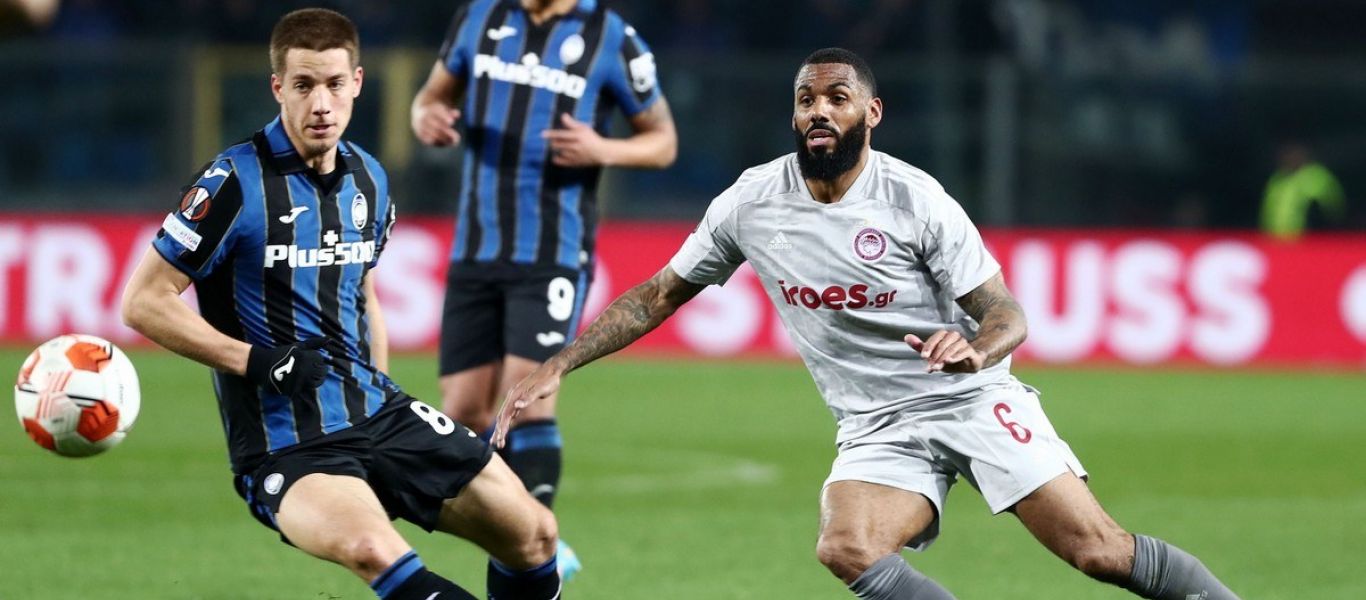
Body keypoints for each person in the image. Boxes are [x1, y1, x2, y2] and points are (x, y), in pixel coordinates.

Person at [496, 48, 1240, 599]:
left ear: (870, 114)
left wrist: (975, 351)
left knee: (1098, 551)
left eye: (838, 97)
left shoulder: (916, 200)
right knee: (846, 546)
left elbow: (1007, 313)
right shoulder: (751, 202)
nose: (819, 110)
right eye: (806, 99)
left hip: (970, 398)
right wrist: (561, 361)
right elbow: (657, 296)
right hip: (876, 424)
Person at [121, 9, 562, 600]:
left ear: (357, 82)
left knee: (534, 534)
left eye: (333, 84)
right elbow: (144, 302)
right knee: (376, 550)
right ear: (278, 88)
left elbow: (363, 292)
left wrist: (380, 383)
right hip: (288, 445)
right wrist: (258, 362)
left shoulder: (369, 179)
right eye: (303, 85)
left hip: (380, 414)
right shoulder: (232, 183)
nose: (321, 104)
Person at [411, 0, 678, 576]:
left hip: (553, 251)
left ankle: (538, 545)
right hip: (475, 247)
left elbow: (663, 142)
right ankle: (518, 536)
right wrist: (425, 116)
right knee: (463, 412)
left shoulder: (611, 37)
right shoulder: (480, 17)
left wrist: (603, 149)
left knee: (525, 401)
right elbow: (430, 97)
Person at [1260, 142, 1346, 239]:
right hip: (1273, 239)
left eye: (1293, 154)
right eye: (1286, 154)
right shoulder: (1278, 178)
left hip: (1304, 239)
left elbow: (1334, 209)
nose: (1288, 158)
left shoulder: (1315, 176)